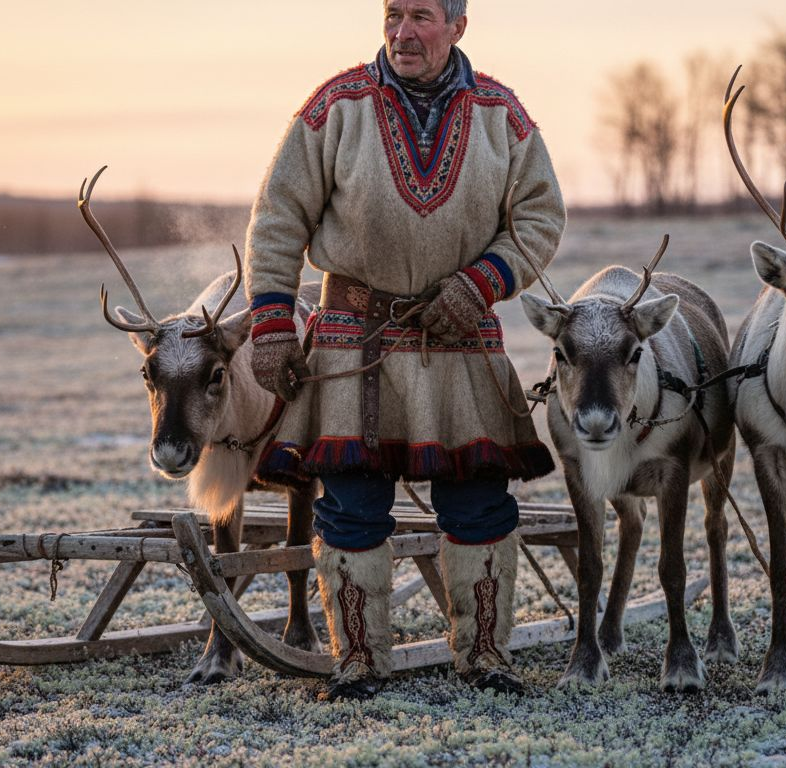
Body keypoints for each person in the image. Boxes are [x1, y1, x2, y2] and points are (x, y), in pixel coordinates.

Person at [244, 0, 565, 701]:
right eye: (392, 13)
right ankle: (358, 665)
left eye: (421, 15)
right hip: (350, 342)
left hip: (462, 338)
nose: (402, 31)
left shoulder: (501, 116)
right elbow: (277, 217)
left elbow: (541, 218)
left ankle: (485, 658)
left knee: (480, 504)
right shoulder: (335, 108)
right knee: (352, 505)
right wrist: (270, 323)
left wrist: (482, 283)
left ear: (457, 26)